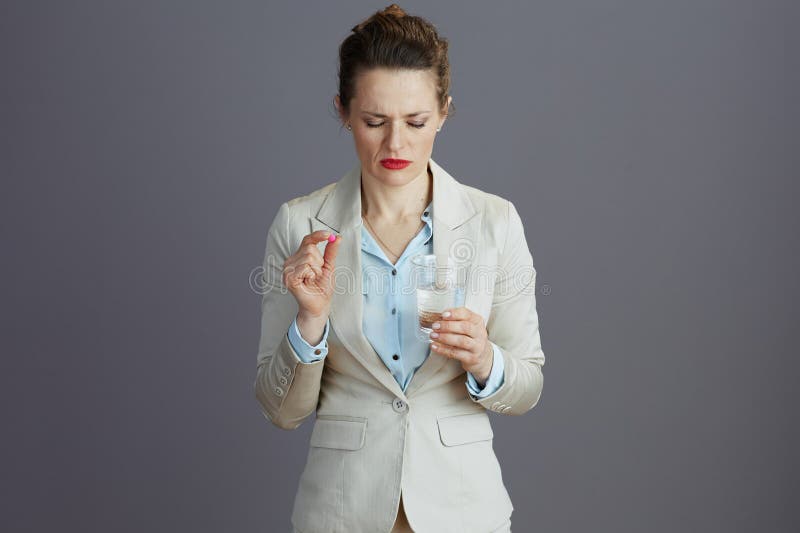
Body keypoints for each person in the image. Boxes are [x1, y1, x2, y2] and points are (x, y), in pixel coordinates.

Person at [254, 5, 545, 532]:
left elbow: (527, 385)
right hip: (342, 512)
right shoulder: (300, 224)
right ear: (343, 112)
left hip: (464, 511)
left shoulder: (494, 222)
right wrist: (310, 322)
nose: (396, 144)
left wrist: (484, 359)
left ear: (444, 111)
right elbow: (282, 410)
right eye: (373, 121)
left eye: (416, 122)